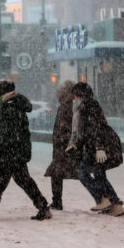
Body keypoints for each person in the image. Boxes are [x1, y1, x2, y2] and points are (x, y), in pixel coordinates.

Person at [0, 80, 51, 221]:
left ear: (3, 92)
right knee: (23, 181)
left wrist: (0, 149)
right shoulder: (12, 104)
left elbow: (8, 133)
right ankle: (43, 207)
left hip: (11, 152)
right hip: (16, 151)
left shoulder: (10, 107)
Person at [67, 82, 124, 217]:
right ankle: (115, 205)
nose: (74, 98)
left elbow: (96, 127)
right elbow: (85, 131)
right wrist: (76, 144)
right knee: (99, 174)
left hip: (101, 145)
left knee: (83, 172)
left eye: (75, 95)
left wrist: (100, 148)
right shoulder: (83, 107)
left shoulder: (90, 105)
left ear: (80, 95)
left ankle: (102, 199)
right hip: (97, 145)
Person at [44, 81, 79, 210]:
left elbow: (64, 128)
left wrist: (62, 143)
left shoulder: (65, 107)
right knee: (60, 173)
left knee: (57, 173)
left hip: (64, 148)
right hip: (67, 146)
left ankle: (57, 201)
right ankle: (104, 197)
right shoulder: (72, 105)